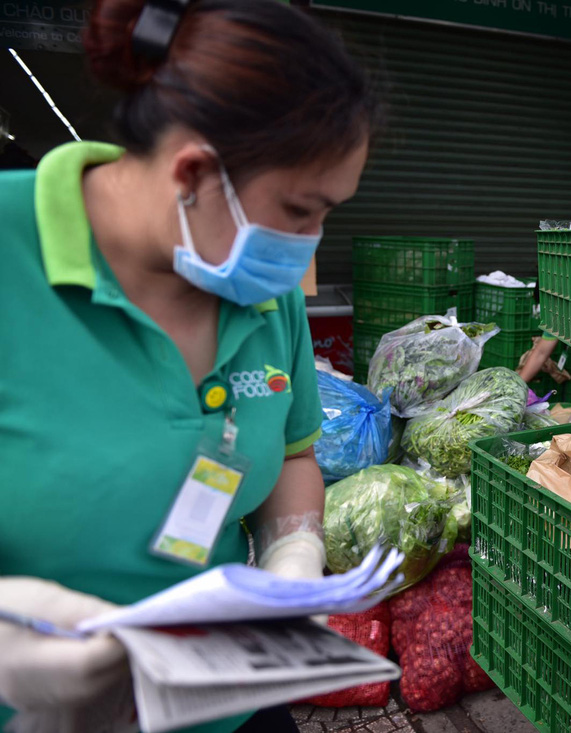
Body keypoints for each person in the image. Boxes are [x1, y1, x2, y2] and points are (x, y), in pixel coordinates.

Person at [0, 1, 383, 732]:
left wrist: (293, 555)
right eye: (301, 210)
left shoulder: (264, 294)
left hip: (224, 704)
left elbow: (296, 449)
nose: (311, 242)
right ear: (193, 173)